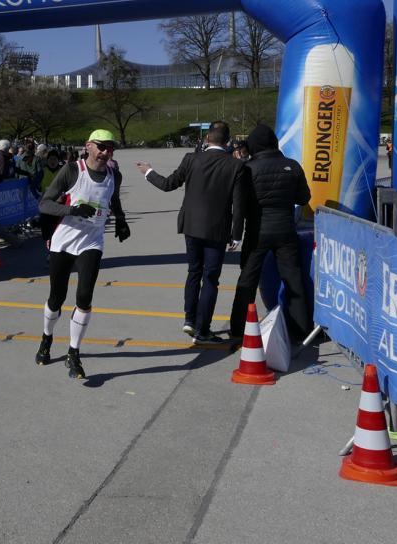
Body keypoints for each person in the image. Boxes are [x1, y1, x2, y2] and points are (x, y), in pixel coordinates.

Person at [136, 121, 253, 344]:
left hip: (191, 225)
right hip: (217, 229)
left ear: (207, 139)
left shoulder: (191, 158)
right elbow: (239, 205)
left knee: (193, 272)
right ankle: (202, 329)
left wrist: (148, 172)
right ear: (228, 141)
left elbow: (168, 184)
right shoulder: (237, 166)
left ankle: (189, 319)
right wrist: (237, 234)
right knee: (210, 279)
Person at [35, 128, 131, 379]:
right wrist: (73, 210)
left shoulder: (114, 174)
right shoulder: (72, 170)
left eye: (110, 148)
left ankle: (73, 353)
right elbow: (44, 204)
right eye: (101, 146)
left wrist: (121, 221)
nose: (106, 152)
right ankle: (46, 339)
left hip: (92, 242)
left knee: (85, 297)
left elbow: (114, 199)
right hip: (64, 242)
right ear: (88, 145)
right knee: (56, 298)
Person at [229, 123, 313, 344]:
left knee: (248, 279)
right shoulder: (292, 166)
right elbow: (304, 198)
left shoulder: (248, 169)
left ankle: (238, 327)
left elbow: (240, 204)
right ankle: (301, 331)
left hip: (257, 231)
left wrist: (237, 231)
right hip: (286, 230)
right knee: (293, 280)